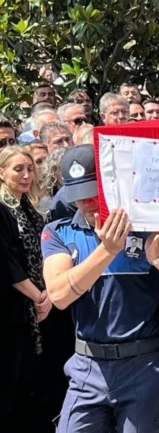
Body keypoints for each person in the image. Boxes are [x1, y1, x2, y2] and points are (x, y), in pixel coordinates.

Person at [41, 145, 159, 433]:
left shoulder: (147, 229)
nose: (87, 202)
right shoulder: (59, 232)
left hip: (143, 366)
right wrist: (107, 250)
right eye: (78, 195)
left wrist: (158, 257)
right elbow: (59, 296)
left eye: (93, 191)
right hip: (87, 366)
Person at [0, 146, 53, 431]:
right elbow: (7, 262)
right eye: (18, 169)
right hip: (13, 307)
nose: (26, 175)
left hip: (34, 307)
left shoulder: (29, 209)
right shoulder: (2, 210)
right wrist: (39, 297)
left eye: (30, 169)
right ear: (2, 173)